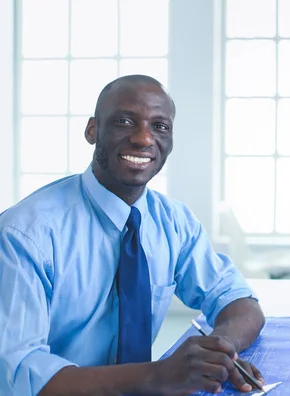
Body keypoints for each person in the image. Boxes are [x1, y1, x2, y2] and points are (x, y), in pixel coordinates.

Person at [0, 75, 266, 395]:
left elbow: (239, 301)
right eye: (124, 121)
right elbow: (20, 373)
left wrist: (220, 353)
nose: (143, 139)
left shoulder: (173, 221)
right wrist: (156, 376)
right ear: (92, 130)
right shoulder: (24, 235)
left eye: (160, 126)